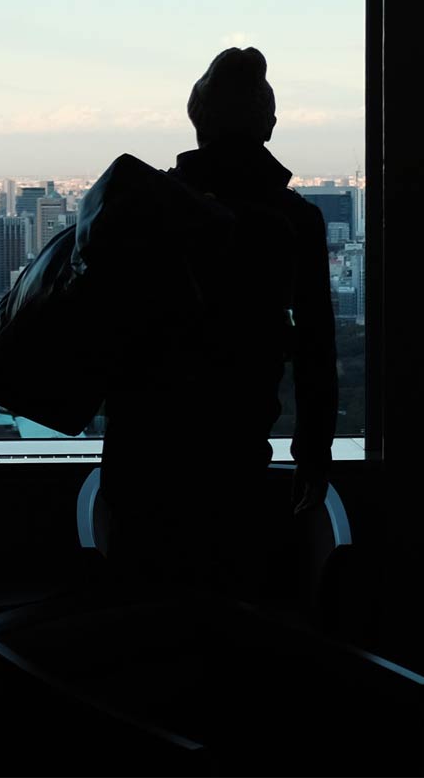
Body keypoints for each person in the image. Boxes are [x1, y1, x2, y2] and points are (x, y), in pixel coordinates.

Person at [98, 47, 338, 599]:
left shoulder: (148, 202)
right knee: (228, 603)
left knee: (140, 603)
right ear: (268, 125)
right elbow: (316, 346)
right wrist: (313, 450)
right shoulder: (294, 219)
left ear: (197, 121)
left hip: (139, 439)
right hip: (235, 438)